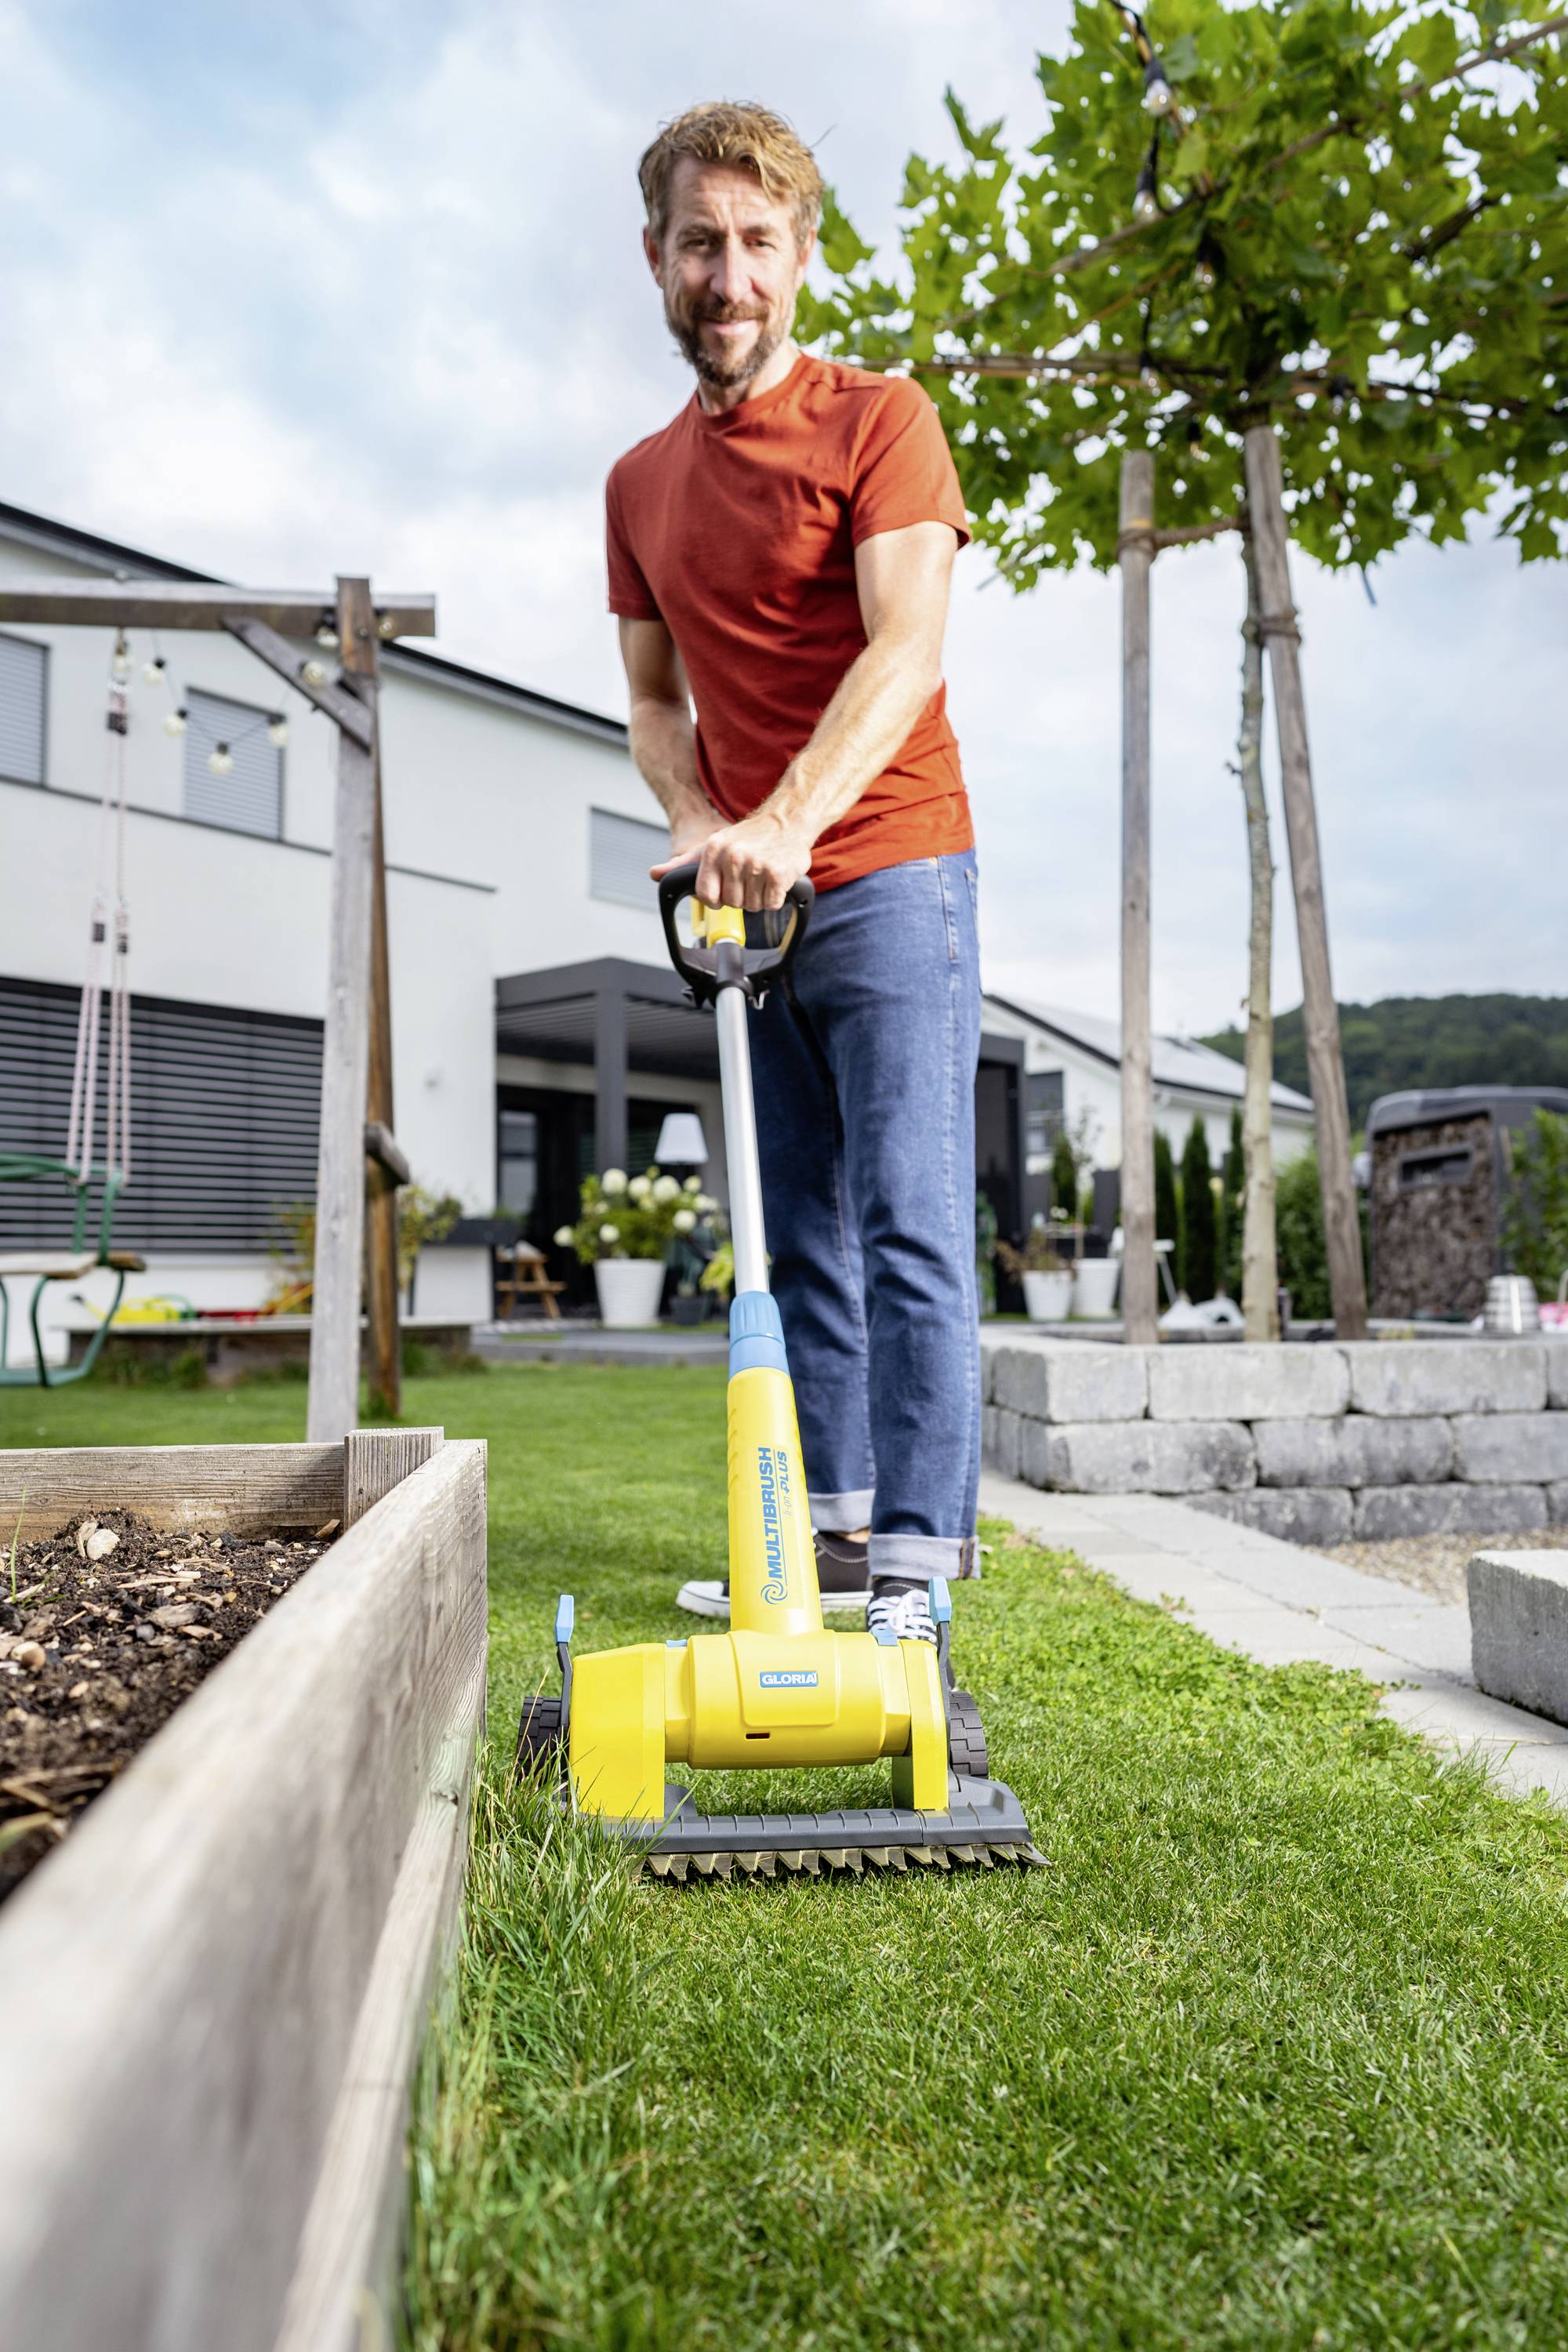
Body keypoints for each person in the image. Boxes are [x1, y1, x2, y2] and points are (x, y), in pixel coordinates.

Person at [606, 100, 980, 1646]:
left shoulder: (883, 419)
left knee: (908, 1223)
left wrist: (789, 820)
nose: (731, 276)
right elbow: (652, 701)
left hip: (891, 863)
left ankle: (915, 1573)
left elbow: (909, 646)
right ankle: (826, 1539)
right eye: (702, 243)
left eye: (759, 241)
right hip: (750, 899)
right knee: (796, 1233)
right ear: (656, 258)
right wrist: (706, 817)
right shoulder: (637, 483)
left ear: (803, 255)